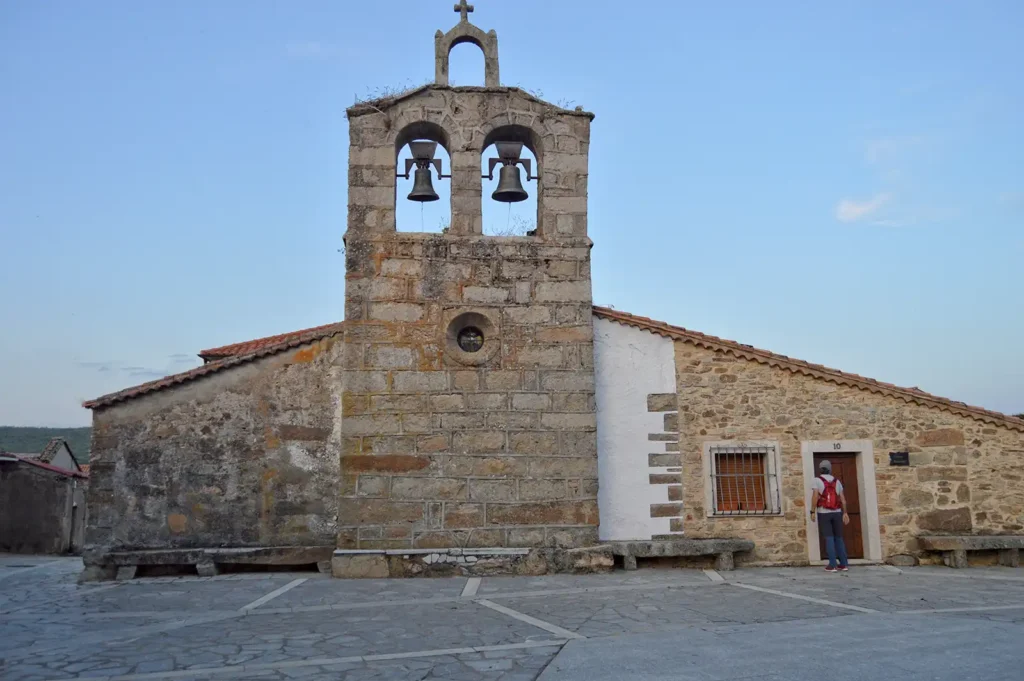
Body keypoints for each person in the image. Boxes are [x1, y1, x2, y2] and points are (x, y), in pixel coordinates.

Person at [810, 460, 850, 572]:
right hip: (837, 512)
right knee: (839, 538)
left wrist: (812, 511)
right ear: (830, 469)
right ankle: (844, 564)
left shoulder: (817, 480)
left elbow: (815, 497)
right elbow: (843, 499)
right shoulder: (837, 481)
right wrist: (845, 513)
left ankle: (832, 565)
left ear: (820, 469)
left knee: (829, 538)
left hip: (824, 513)